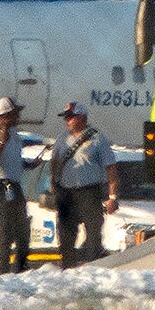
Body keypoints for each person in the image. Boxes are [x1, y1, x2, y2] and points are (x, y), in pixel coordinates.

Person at [45, 101, 119, 265]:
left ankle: (92, 266)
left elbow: (111, 169)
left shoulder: (97, 139)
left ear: (82, 117)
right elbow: (55, 162)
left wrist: (112, 196)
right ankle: (67, 265)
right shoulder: (62, 138)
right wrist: (54, 183)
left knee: (93, 231)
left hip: (88, 192)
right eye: (66, 118)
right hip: (66, 193)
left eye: (71, 117)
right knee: (66, 232)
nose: (67, 121)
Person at [0, 96, 38, 273]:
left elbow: (13, 161)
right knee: (6, 228)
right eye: (15, 114)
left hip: (13, 185)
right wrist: (1, 143)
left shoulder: (15, 135)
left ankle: (20, 268)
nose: (18, 117)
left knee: (23, 229)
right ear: (5, 116)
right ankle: (0, 271)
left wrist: (28, 164)